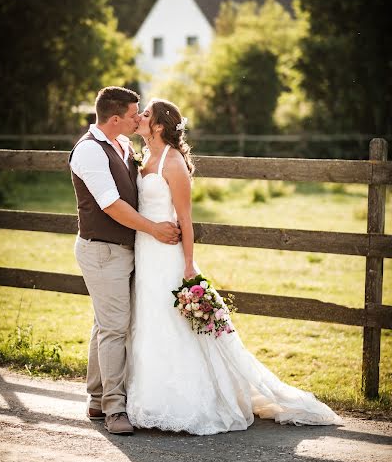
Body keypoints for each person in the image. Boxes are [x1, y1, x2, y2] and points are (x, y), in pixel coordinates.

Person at [125, 98, 343, 435]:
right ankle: (147, 399)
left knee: (173, 323)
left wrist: (188, 267)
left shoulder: (173, 164)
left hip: (168, 256)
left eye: (146, 114)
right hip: (144, 251)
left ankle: (185, 402)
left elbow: (185, 220)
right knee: (149, 319)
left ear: (158, 126)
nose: (139, 117)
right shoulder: (143, 158)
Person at [69, 87, 180, 436]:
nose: (139, 118)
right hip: (102, 250)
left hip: (125, 250)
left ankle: (97, 397)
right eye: (135, 113)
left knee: (106, 324)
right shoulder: (89, 151)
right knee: (115, 327)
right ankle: (115, 409)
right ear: (115, 118)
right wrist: (153, 229)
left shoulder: (122, 145)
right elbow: (111, 205)